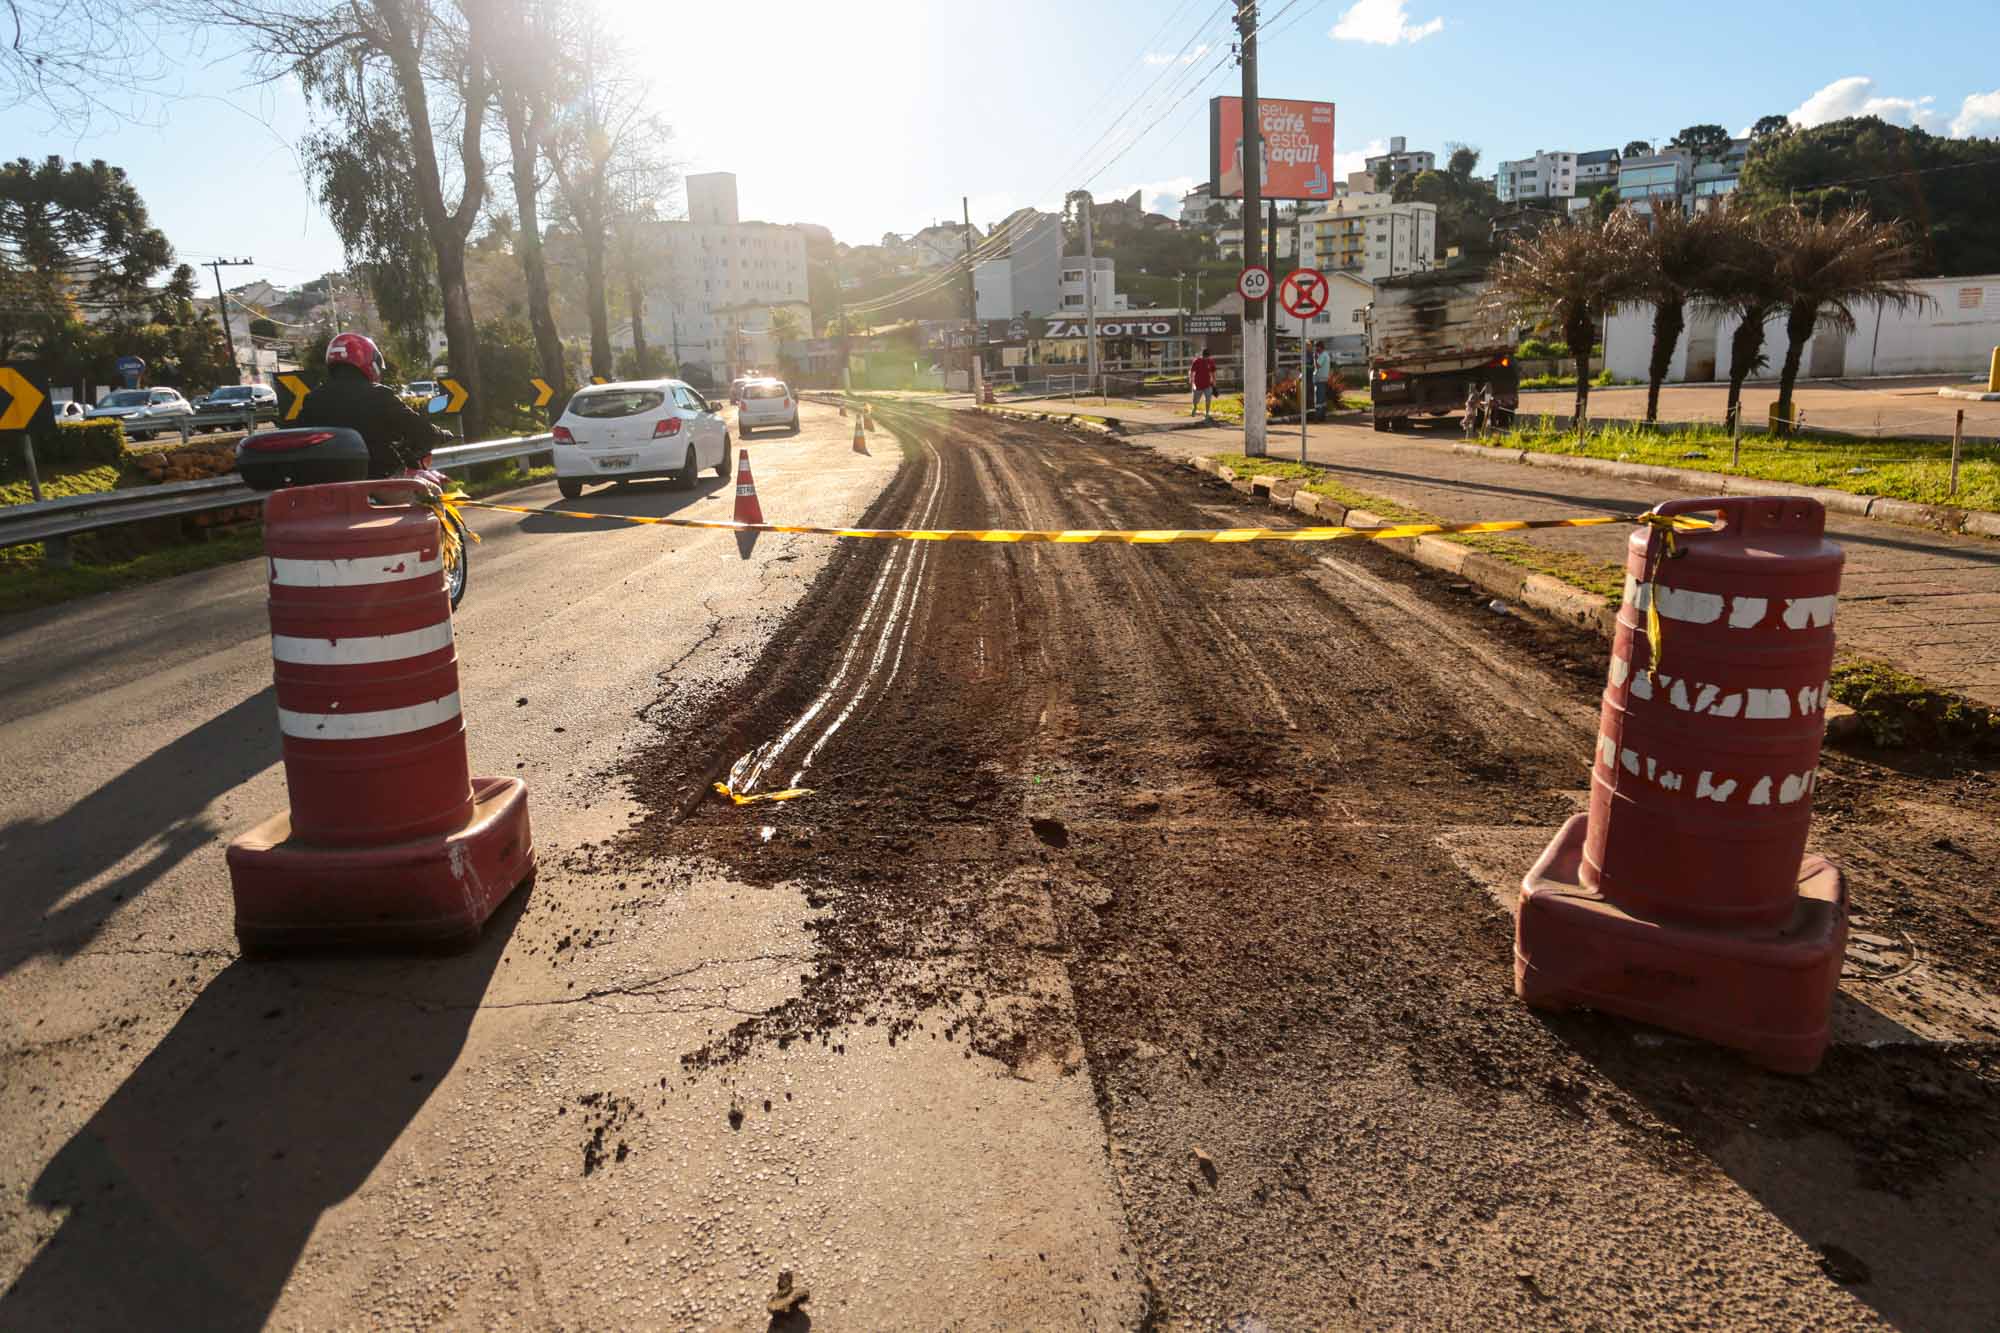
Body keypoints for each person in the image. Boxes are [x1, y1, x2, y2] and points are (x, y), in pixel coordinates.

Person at [297, 331, 454, 478]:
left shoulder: (312, 399)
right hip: (375, 483)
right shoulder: (379, 395)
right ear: (368, 361)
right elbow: (420, 430)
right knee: (432, 490)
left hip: (325, 491)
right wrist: (439, 434)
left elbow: (300, 438)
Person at [1189, 344, 1218, 421]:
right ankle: (1195, 407)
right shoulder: (1197, 361)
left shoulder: (1211, 361)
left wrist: (1214, 381)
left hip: (1208, 384)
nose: (1207, 358)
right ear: (1202, 355)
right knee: (1196, 400)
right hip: (1198, 384)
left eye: (1208, 356)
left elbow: (1213, 372)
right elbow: (1192, 371)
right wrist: (1191, 379)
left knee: (1208, 400)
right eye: (1205, 356)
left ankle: (1207, 413)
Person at [1313, 341, 1334, 420]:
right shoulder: (1326, 354)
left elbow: (1318, 366)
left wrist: (1315, 358)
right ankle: (1323, 415)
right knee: (1322, 398)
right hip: (1324, 378)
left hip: (1320, 379)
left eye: (1316, 347)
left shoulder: (1322, 355)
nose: (1315, 349)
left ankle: (1318, 416)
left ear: (1320, 347)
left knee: (1319, 398)